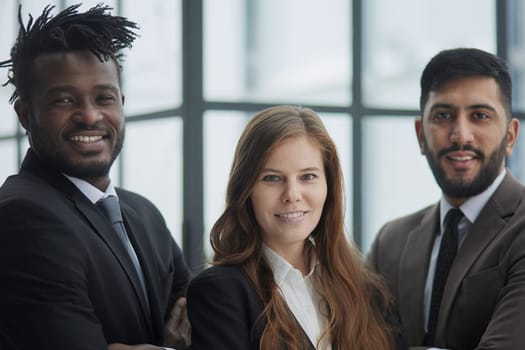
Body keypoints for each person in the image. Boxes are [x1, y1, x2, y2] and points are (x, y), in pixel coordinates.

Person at [0, 4, 191, 350]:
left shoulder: (143, 214)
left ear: (121, 102)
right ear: (26, 115)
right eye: (64, 100)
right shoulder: (21, 217)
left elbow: (210, 324)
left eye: (104, 97)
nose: (89, 116)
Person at [186, 105, 407, 350]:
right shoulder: (220, 293)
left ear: (328, 186)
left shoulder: (366, 290)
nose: (292, 195)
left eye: (308, 177)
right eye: (271, 178)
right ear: (246, 190)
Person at [368, 47, 525, 350]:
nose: (461, 135)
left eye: (480, 116)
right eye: (443, 115)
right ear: (420, 134)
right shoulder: (391, 242)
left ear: (510, 136)